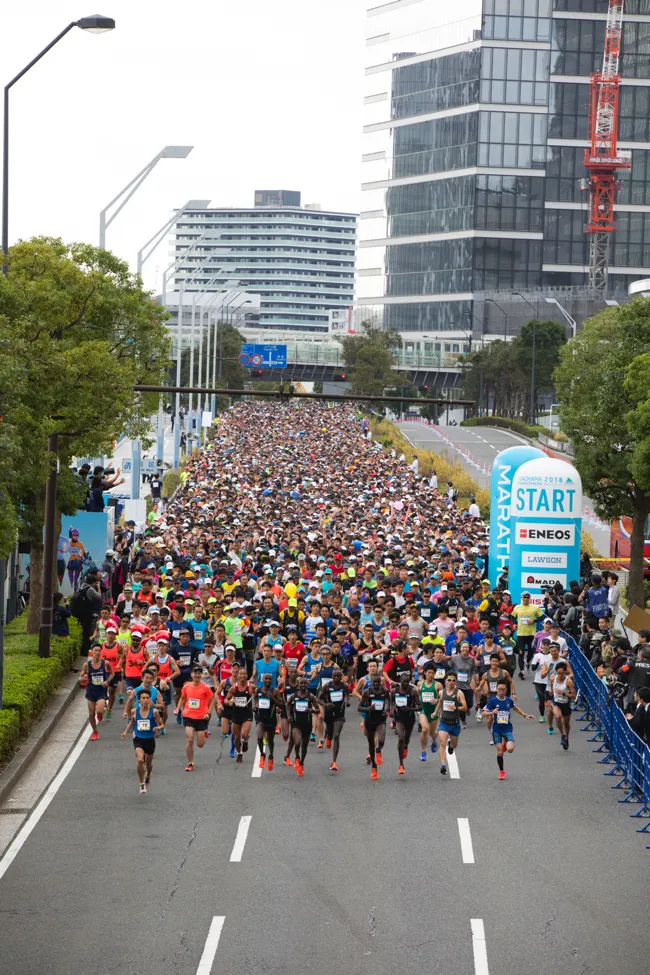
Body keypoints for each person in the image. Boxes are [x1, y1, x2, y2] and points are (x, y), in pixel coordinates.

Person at [482, 679, 534, 779]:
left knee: (510, 749)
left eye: (503, 689)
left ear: (506, 690)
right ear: (496, 690)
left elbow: (515, 708)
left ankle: (506, 743)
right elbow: (483, 713)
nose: (501, 691)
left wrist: (525, 715)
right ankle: (501, 772)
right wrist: (492, 713)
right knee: (500, 752)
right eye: (499, 689)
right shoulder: (492, 701)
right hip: (496, 729)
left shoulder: (508, 700)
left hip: (507, 729)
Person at [121, 687, 163, 793]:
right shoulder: (135, 711)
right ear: (139, 700)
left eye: (147, 698)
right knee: (140, 760)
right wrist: (125, 732)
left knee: (148, 764)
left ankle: (148, 774)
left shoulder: (154, 712)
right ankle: (141, 783)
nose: (145, 700)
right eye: (143, 698)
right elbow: (132, 722)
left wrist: (158, 728)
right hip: (138, 739)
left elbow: (162, 724)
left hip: (150, 740)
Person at [175, 664, 216, 770]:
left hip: (201, 717)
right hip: (188, 716)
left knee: (200, 744)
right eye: (195, 673)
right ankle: (190, 763)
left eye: (199, 673)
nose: (197, 675)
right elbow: (183, 698)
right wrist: (177, 709)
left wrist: (209, 712)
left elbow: (213, 700)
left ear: (201, 675)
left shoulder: (205, 688)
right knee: (189, 739)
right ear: (191, 674)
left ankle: (204, 733)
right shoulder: (186, 687)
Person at [433, 673, 467, 775]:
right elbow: (440, 702)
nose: (451, 682)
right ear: (445, 681)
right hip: (444, 722)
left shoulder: (459, 693)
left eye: (453, 680)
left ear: (455, 681)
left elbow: (465, 707)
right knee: (442, 743)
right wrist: (435, 711)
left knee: (454, 744)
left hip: (455, 724)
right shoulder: (441, 692)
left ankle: (451, 745)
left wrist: (456, 708)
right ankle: (443, 765)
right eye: (449, 680)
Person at [357, 673, 390, 780]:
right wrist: (368, 709)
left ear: (380, 682)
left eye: (378, 682)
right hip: (369, 721)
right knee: (371, 745)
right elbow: (359, 707)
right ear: (371, 682)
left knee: (381, 740)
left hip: (380, 720)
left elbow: (389, 701)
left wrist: (387, 710)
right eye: (374, 682)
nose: (376, 684)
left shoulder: (384, 692)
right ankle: (374, 767)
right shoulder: (367, 692)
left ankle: (379, 750)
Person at [287, 677, 321, 777]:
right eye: (301, 684)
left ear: (307, 685)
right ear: (298, 685)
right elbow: (288, 704)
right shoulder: (294, 696)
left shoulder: (311, 696)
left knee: (304, 746)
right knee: (297, 742)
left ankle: (301, 763)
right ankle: (297, 757)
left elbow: (318, 710)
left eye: (304, 684)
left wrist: (312, 711)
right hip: (296, 723)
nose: (302, 686)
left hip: (307, 723)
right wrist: (289, 715)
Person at [79, 645, 113, 740]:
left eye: (99, 651)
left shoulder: (105, 663)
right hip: (91, 691)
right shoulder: (87, 665)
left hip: (101, 691)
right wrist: (83, 678)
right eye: (95, 650)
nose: (97, 652)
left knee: (99, 711)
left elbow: (112, 673)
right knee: (91, 713)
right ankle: (95, 732)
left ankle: (100, 714)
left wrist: (108, 681)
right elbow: (80, 677)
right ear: (92, 652)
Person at [319, 667, 349, 771]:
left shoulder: (344, 686)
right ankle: (328, 736)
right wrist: (326, 704)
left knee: (337, 735)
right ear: (332, 677)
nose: (336, 678)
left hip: (340, 714)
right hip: (329, 713)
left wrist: (348, 701)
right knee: (331, 733)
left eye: (338, 676)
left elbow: (348, 694)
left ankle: (334, 762)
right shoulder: (327, 686)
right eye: (334, 676)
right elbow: (319, 699)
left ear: (341, 677)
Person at [253, 673, 284, 771]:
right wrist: (254, 706)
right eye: (266, 678)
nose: (268, 680)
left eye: (270, 679)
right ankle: (262, 755)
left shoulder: (275, 691)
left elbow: (282, 705)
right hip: (260, 718)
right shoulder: (258, 690)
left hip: (271, 719)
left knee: (270, 740)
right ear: (263, 679)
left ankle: (271, 756)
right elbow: (254, 698)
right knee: (259, 736)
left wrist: (273, 699)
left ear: (272, 680)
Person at [391, 672, 420, 775]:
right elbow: (392, 702)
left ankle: (406, 746)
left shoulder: (413, 692)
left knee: (406, 740)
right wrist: (391, 711)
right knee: (401, 738)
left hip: (410, 718)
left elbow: (420, 707)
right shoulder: (394, 691)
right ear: (400, 681)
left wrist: (410, 708)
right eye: (404, 682)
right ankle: (401, 765)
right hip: (399, 718)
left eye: (407, 682)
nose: (406, 684)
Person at [511, 591, 543, 678]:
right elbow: (512, 616)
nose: (526, 599)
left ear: (530, 598)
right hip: (521, 633)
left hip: (531, 633)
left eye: (527, 597)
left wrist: (534, 620)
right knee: (521, 652)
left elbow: (541, 616)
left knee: (531, 652)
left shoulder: (535, 607)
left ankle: (528, 663)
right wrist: (514, 623)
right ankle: (521, 671)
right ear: (521, 598)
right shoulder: (517, 607)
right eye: (524, 597)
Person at [225, 670, 254, 764]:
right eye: (240, 674)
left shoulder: (251, 687)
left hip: (247, 715)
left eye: (244, 674)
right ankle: (239, 753)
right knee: (236, 737)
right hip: (236, 715)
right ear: (238, 675)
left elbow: (259, 696)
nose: (242, 675)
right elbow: (226, 699)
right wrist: (229, 702)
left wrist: (256, 705)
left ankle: (245, 741)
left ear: (247, 675)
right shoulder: (234, 688)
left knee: (244, 734)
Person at [549, 661, 575, 750]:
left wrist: (563, 694)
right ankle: (562, 735)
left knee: (566, 724)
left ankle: (566, 737)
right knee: (557, 717)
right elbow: (551, 685)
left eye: (561, 673)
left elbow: (574, 696)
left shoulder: (569, 682)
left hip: (565, 703)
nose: (559, 675)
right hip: (556, 702)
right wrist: (550, 691)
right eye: (558, 673)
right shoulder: (553, 678)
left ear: (565, 672)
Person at [418, 663, 440, 760]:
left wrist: (437, 700)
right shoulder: (420, 684)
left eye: (432, 673)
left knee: (433, 733)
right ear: (425, 673)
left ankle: (434, 741)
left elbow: (443, 698)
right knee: (424, 729)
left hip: (434, 712)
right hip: (424, 711)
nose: (430, 675)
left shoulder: (438, 685)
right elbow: (417, 695)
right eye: (429, 673)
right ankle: (423, 752)